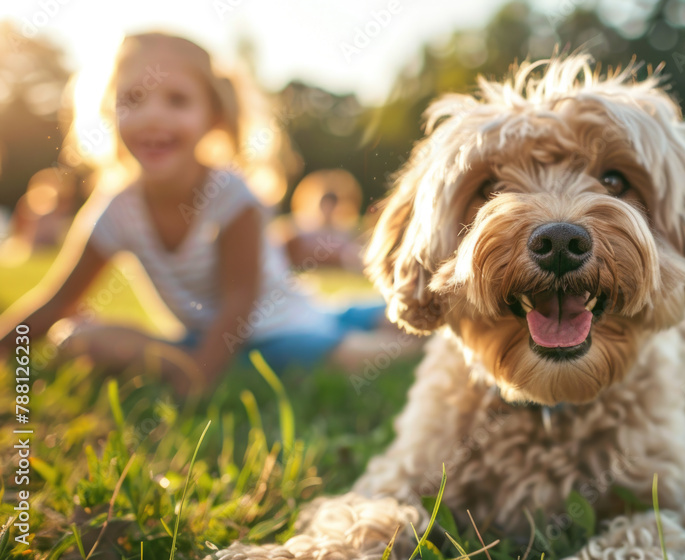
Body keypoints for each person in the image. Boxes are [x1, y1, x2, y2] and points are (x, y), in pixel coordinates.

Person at [0, 33, 409, 396]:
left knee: (379, 342)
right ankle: (358, 322)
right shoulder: (116, 208)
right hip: (203, 341)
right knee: (74, 339)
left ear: (212, 116)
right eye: (132, 99)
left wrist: (195, 380)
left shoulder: (231, 195)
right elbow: (58, 302)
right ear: (111, 112)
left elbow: (238, 304)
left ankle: (413, 339)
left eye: (177, 100)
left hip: (282, 331)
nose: (152, 116)